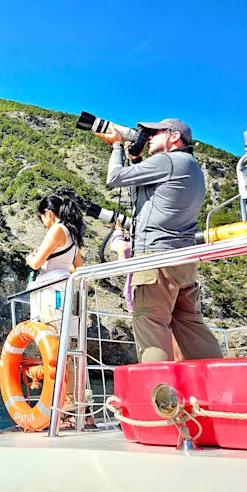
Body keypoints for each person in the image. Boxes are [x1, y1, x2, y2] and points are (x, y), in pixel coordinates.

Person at [95, 119, 223, 363]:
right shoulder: (190, 166)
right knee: (191, 327)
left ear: (174, 136)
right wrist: (136, 160)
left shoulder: (168, 160)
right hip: (182, 261)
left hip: (155, 259)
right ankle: (219, 381)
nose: (149, 137)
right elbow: (143, 200)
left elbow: (114, 178)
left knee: (150, 323)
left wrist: (116, 146)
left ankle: (159, 387)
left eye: (155, 132)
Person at [25, 195, 84, 327]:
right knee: (62, 330)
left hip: (49, 288)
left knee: (50, 329)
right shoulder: (73, 234)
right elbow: (78, 267)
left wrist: (29, 258)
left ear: (48, 213)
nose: (43, 224)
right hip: (64, 287)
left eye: (41, 218)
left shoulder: (56, 229)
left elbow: (36, 264)